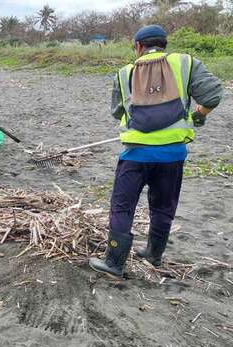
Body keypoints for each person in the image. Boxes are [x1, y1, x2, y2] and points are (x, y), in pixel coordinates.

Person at [89, 25, 223, 278]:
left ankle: (115, 262)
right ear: (164, 44)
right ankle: (154, 254)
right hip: (172, 155)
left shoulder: (125, 72)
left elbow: (117, 112)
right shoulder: (186, 63)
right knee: (163, 206)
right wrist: (198, 115)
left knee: (122, 207)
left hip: (136, 155)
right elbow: (213, 95)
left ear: (138, 47)